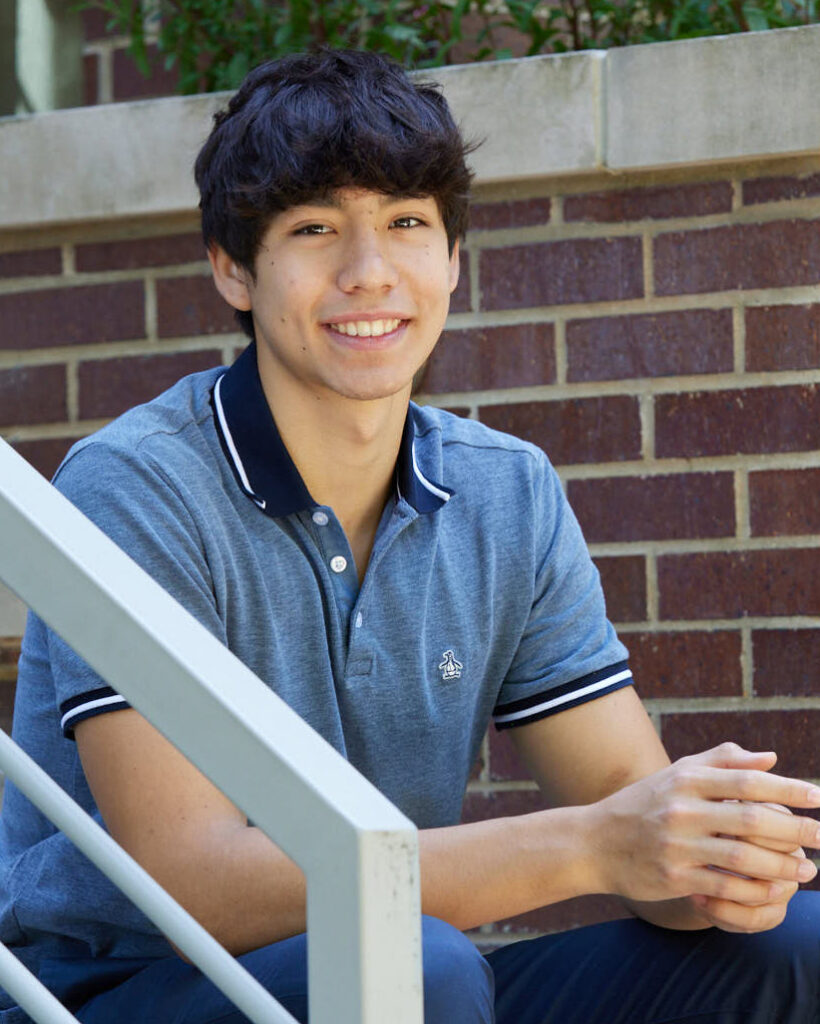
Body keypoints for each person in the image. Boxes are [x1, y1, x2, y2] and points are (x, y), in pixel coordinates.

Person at [1, 48, 819, 1024]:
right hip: (123, 988)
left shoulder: (503, 491)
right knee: (417, 966)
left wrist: (710, 856)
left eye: (405, 225)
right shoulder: (139, 486)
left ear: (453, 261)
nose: (369, 272)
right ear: (232, 270)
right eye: (314, 230)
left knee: (789, 948)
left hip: (401, 972)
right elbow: (197, 888)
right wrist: (593, 845)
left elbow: (620, 799)